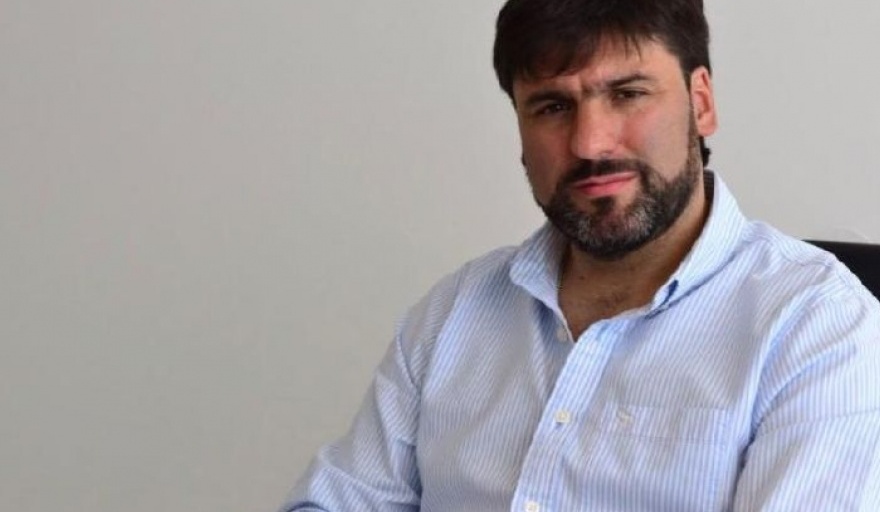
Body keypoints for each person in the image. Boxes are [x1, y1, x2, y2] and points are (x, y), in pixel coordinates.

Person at [279, 0, 880, 510]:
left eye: (628, 94)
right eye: (552, 106)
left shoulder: (819, 327)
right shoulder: (454, 313)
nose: (590, 143)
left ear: (701, 103)